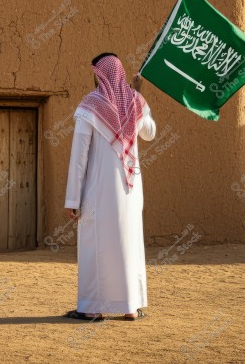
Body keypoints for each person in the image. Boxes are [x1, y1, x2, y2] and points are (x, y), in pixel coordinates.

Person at [63, 53, 156, 322]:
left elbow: (79, 156)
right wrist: (140, 98)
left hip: (98, 192)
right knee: (127, 243)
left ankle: (91, 308)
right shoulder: (135, 103)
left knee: (96, 245)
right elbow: (149, 132)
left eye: (95, 73)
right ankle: (129, 307)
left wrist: (73, 199)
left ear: (100, 75)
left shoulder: (90, 106)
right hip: (130, 190)